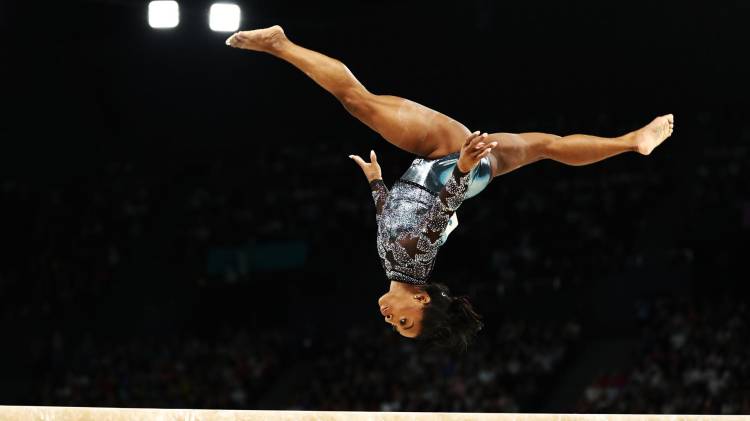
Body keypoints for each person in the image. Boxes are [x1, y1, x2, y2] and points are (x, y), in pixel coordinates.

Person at [225, 26, 674, 351]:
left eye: (396, 326)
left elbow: (389, 221)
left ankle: (632, 142)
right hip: (447, 165)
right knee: (358, 101)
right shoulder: (414, 262)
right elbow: (441, 209)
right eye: (405, 320)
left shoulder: (396, 264)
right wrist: (460, 167)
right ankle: (280, 44)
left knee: (547, 147)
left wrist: (378, 184)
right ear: (421, 299)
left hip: (464, 171)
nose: (391, 319)